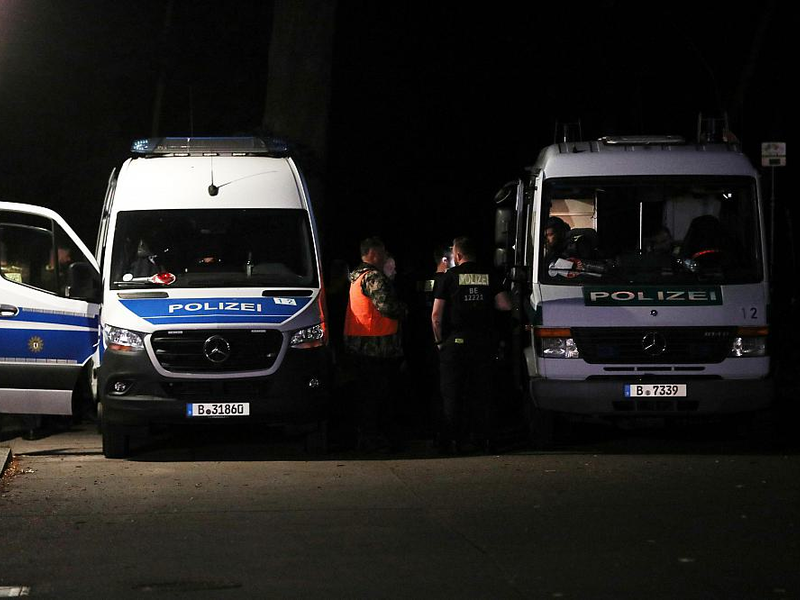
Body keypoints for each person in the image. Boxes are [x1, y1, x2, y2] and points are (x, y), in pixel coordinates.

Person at [431, 236, 512, 453]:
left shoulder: (449, 277)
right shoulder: (489, 274)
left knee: (452, 394)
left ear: (457, 255)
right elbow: (505, 305)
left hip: (455, 343)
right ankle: (484, 440)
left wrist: (439, 341)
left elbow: (436, 315)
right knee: (483, 393)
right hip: (483, 343)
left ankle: (453, 442)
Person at [344, 237, 408, 450]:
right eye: (381, 253)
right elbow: (387, 306)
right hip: (377, 348)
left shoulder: (356, 277)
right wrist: (406, 309)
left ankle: (365, 435)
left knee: (365, 396)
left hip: (359, 346)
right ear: (372, 253)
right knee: (377, 397)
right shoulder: (374, 277)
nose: (383, 257)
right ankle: (373, 438)